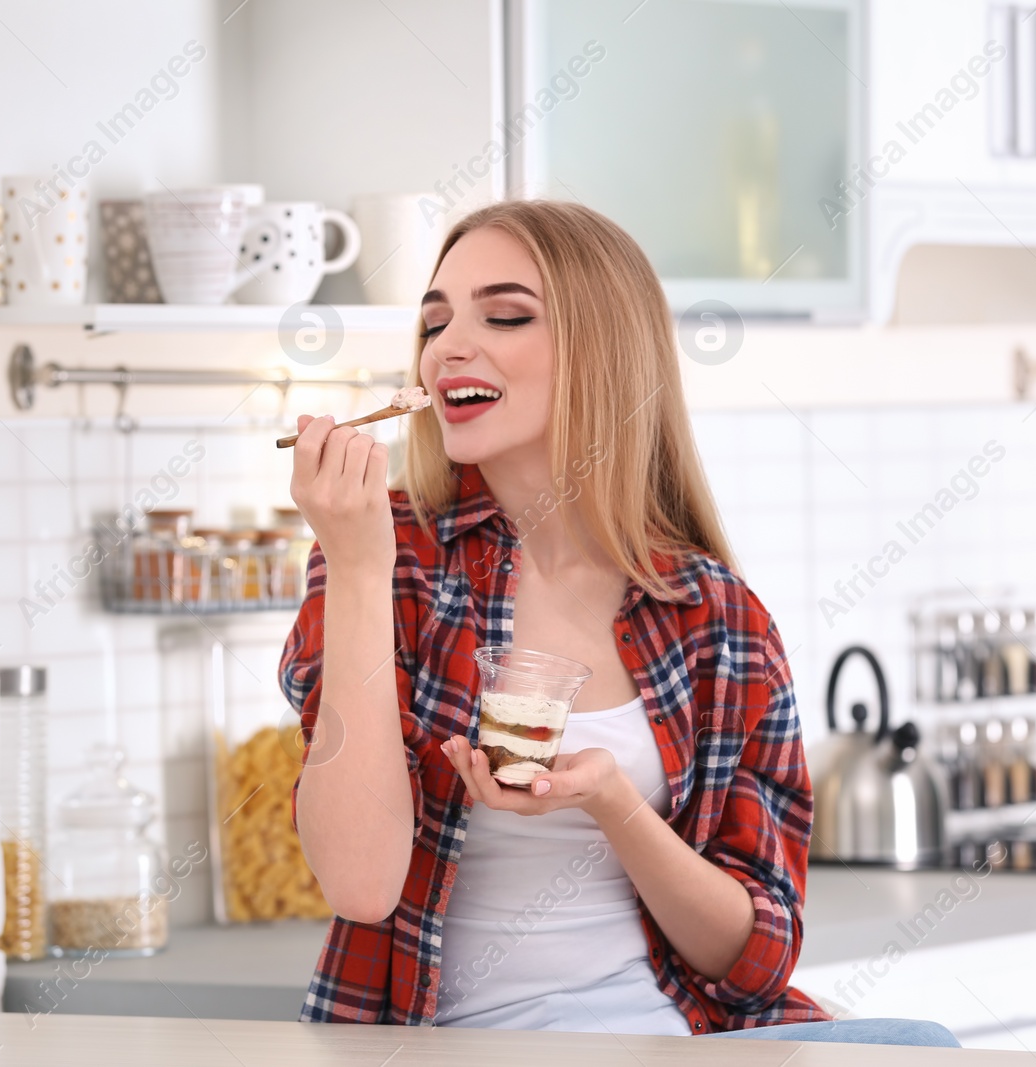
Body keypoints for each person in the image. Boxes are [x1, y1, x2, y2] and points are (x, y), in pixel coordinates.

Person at [279, 199, 957, 1048]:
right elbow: (359, 884)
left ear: (603, 350)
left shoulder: (713, 615)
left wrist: (611, 800)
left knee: (923, 1048)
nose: (449, 343)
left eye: (506, 314)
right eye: (434, 319)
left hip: (667, 1035)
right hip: (450, 1041)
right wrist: (354, 566)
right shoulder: (391, 560)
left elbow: (752, 958)